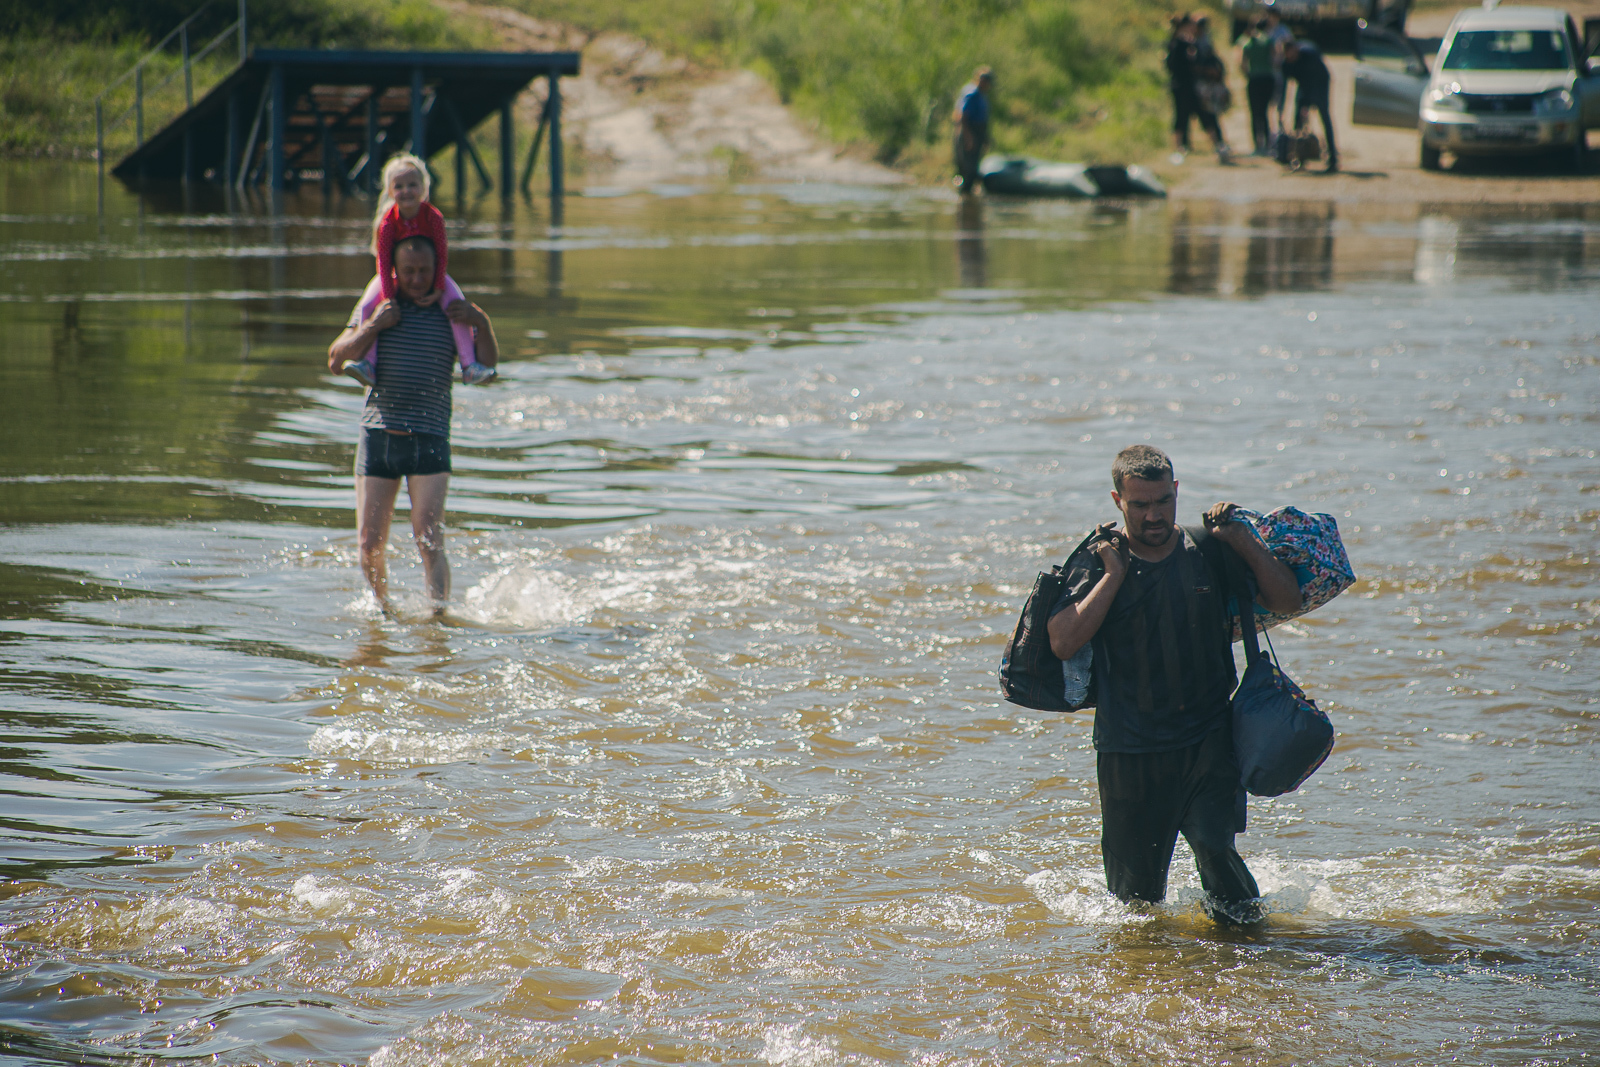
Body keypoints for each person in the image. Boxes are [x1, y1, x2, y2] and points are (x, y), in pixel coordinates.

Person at [1046, 445, 1303, 924]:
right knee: (1135, 906)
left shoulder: (1207, 547)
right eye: (1140, 504)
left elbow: (1285, 600)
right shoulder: (1099, 559)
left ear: (1176, 492)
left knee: (1223, 869)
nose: (1153, 514)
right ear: (1117, 500)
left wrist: (1244, 541)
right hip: (1129, 752)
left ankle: (1253, 964)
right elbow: (1062, 642)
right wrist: (1115, 576)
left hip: (1207, 740)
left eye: (1163, 501)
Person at [326, 234, 500, 613]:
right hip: (378, 439)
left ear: (439, 268)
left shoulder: (452, 310)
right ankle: (381, 613)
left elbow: (489, 366)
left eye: (425, 271)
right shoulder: (379, 306)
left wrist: (481, 321)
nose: (417, 279)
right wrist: (373, 326)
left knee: (429, 538)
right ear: (394, 270)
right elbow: (336, 360)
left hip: (430, 437)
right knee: (370, 543)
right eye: (409, 271)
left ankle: (437, 620)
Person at [339, 154, 496, 388]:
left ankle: (468, 366)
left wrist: (476, 317)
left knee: (457, 303)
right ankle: (366, 364)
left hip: (440, 279)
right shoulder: (388, 222)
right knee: (367, 304)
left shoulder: (433, 217)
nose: (416, 279)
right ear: (390, 191)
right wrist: (385, 305)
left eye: (413, 185)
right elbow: (383, 262)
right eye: (399, 186)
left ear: (424, 188)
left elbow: (442, 254)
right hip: (387, 279)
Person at [1166, 15, 1229, 163]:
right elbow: (1176, 67)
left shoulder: (1192, 43)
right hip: (1181, 86)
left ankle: (1218, 146)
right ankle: (1179, 148)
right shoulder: (1177, 44)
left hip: (1195, 87)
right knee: (1181, 117)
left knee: (1206, 115)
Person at [1283, 38, 1339, 172]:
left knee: (1325, 117)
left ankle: (1333, 158)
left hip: (1320, 84)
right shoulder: (1286, 63)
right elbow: (1289, 81)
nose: (1290, 57)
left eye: (1292, 53)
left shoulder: (1310, 55)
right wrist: (1301, 106)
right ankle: (1297, 157)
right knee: (1297, 120)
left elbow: (1315, 80)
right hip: (1304, 86)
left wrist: (1309, 105)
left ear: (1296, 49)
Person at [952, 67, 993, 195]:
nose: (985, 83)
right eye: (983, 80)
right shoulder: (971, 93)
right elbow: (962, 116)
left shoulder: (982, 95)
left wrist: (985, 138)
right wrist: (968, 137)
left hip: (978, 132)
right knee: (967, 168)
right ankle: (963, 197)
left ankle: (968, 196)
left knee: (974, 165)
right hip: (969, 131)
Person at [1240, 18, 1277, 155]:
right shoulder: (1269, 41)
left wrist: (1248, 73)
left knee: (1254, 112)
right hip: (1267, 78)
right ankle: (1268, 142)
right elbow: (1275, 59)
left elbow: (1243, 64)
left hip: (1254, 79)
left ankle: (1257, 144)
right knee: (1265, 112)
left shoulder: (1248, 42)